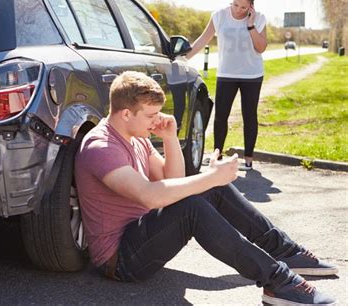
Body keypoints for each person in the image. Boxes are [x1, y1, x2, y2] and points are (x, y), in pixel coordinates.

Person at [74, 71, 337, 305]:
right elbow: (150, 196)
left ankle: (285, 251)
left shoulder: (134, 137)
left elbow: (173, 181)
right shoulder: (102, 147)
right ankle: (278, 282)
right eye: (151, 115)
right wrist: (211, 177)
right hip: (119, 260)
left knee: (210, 189)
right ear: (126, 114)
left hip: (143, 237)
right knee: (195, 203)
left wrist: (169, 137)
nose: (156, 121)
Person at [185, 0, 266, 170]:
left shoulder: (259, 19)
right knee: (221, 115)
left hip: (252, 75)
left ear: (251, 6)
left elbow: (261, 47)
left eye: (244, 7)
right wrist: (183, 58)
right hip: (226, 74)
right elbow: (202, 40)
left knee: (249, 116)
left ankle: (248, 159)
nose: (238, 10)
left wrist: (251, 25)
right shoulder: (219, 15)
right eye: (235, 4)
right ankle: (217, 154)